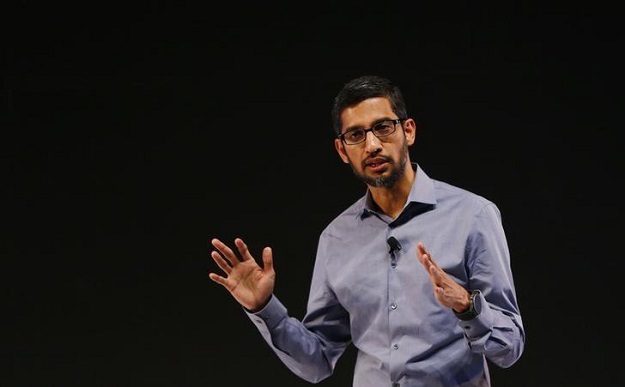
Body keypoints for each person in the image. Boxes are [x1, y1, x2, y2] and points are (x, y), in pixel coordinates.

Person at [208, 75, 525, 386]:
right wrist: (265, 308)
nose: (372, 145)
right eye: (356, 135)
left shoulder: (472, 216)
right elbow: (317, 360)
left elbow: (509, 346)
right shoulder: (336, 238)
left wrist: (467, 305)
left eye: (383, 128)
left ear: (408, 131)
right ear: (342, 151)